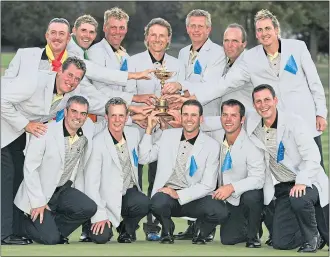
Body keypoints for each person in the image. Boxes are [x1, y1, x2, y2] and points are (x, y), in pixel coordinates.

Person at [170, 9, 327, 169]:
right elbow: (224, 84)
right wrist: (193, 98)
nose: (264, 33)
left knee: (317, 173)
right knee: (286, 177)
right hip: (276, 126)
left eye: (267, 28)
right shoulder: (250, 57)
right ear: (257, 35)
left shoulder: (297, 47)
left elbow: (314, 83)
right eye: (260, 30)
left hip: (306, 121)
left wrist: (321, 113)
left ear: (276, 30)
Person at [1, 54, 87, 245]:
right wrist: (26, 125)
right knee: (6, 183)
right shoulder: (36, 81)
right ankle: (3, 235)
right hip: (4, 130)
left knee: (17, 183)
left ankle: (14, 231)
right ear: (59, 71)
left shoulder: (66, 96)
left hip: (18, 136)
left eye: (76, 78)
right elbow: (2, 100)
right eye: (69, 75)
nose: (72, 81)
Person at [14, 96, 103, 245]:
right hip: (39, 193)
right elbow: (30, 168)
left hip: (62, 191)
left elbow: (108, 123)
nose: (78, 117)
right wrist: (38, 202)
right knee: (51, 240)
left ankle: (51, 229)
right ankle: (19, 227)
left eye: (83, 114)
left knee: (89, 207)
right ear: (66, 111)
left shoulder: (87, 130)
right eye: (74, 111)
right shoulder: (45, 132)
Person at [126, 17, 185, 241]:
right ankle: (130, 223)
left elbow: (181, 96)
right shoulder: (134, 62)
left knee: (159, 174)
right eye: (153, 35)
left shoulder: (178, 65)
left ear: (168, 39)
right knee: (135, 176)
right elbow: (129, 94)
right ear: (146, 38)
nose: (157, 39)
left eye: (162, 35)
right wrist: (142, 113)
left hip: (167, 126)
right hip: (140, 125)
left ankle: (155, 222)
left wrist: (168, 111)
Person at [139, 100, 228, 244]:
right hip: (168, 197)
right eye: (185, 114)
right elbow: (143, 158)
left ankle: (201, 229)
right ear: (180, 117)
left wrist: (179, 194)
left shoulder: (212, 145)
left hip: (195, 197)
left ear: (201, 119)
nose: (189, 119)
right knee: (156, 202)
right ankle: (167, 227)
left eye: (193, 115)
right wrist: (149, 130)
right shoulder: (167, 135)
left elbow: (208, 185)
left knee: (221, 211)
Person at [84, 97, 149, 244]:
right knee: (101, 238)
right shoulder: (97, 143)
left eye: (121, 115)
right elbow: (91, 184)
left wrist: (150, 130)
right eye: (113, 115)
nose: (117, 120)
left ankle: (126, 230)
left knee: (143, 203)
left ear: (127, 117)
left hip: (127, 192)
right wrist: (100, 215)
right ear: (106, 117)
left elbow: (144, 157)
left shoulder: (133, 134)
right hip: (104, 199)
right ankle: (91, 224)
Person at [213, 99, 267, 248]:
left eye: (233, 115)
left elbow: (258, 179)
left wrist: (231, 187)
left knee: (252, 195)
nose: (228, 119)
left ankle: (254, 233)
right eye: (225, 115)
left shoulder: (252, 144)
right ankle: (248, 222)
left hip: (247, 195)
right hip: (229, 200)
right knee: (228, 239)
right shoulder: (215, 137)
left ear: (242, 119)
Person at [88, 7, 156, 113]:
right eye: (113, 27)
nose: (118, 32)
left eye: (122, 28)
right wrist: (134, 98)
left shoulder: (125, 55)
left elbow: (129, 88)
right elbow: (99, 90)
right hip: (101, 115)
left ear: (126, 29)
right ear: (105, 28)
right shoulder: (95, 51)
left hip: (123, 113)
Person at [162, 9, 226, 117]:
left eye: (200, 26)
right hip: (183, 114)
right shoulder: (182, 52)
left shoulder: (218, 53)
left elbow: (209, 86)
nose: (196, 30)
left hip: (206, 115)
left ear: (208, 29)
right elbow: (179, 79)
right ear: (187, 29)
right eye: (192, 26)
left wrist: (179, 86)